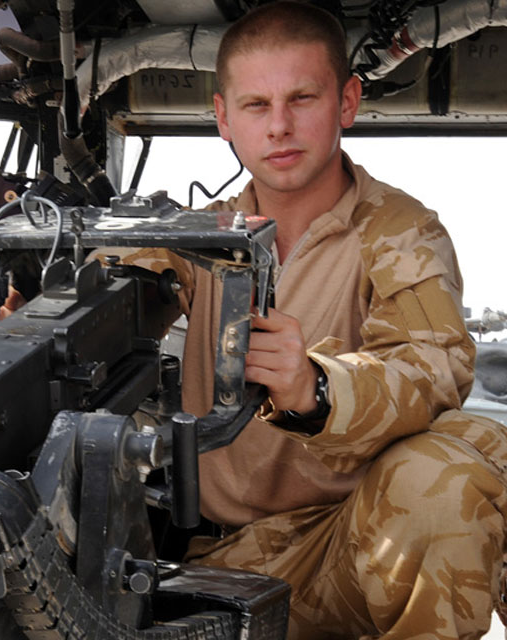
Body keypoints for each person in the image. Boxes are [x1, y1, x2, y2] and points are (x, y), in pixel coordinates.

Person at [74, 2, 507, 638]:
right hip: (222, 559)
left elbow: (433, 369)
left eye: (302, 98)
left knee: (441, 478)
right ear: (223, 117)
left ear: (347, 103)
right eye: (255, 105)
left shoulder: (399, 231)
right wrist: (53, 307)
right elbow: (120, 290)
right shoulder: (195, 238)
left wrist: (318, 389)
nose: (279, 126)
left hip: (347, 544)